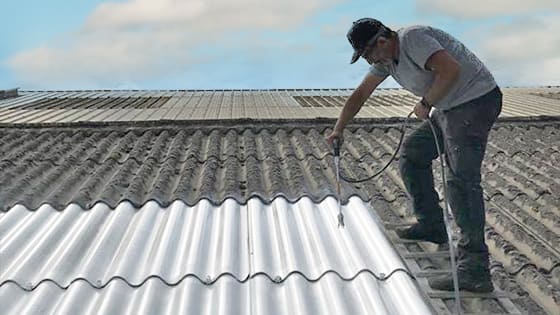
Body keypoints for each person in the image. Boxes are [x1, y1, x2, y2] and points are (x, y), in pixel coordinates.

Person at [326, 18, 502, 292]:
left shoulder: (413, 39)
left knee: (461, 183)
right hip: (449, 108)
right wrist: (339, 129)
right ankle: (431, 224)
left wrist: (426, 102)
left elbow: (450, 69)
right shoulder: (385, 61)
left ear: (382, 42)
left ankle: (475, 270)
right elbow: (361, 94)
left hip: (475, 102)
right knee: (412, 154)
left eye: (367, 54)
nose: (368, 60)